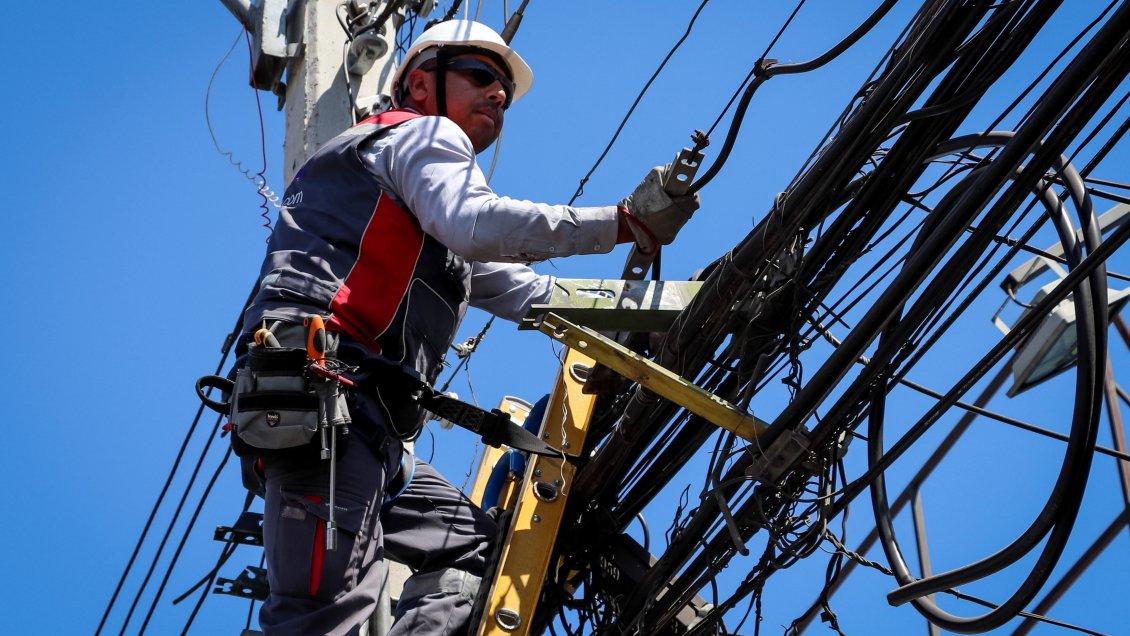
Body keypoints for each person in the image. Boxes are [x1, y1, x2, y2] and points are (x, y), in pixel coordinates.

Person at [236, 19, 699, 636]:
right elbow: (475, 223)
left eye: (502, 87)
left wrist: (682, 303)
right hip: (328, 399)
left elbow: (535, 296)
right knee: (325, 615)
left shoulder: (421, 222)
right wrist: (619, 222)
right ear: (422, 85)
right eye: (480, 75)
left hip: (364, 428)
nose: (497, 94)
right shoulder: (419, 137)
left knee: (474, 550)